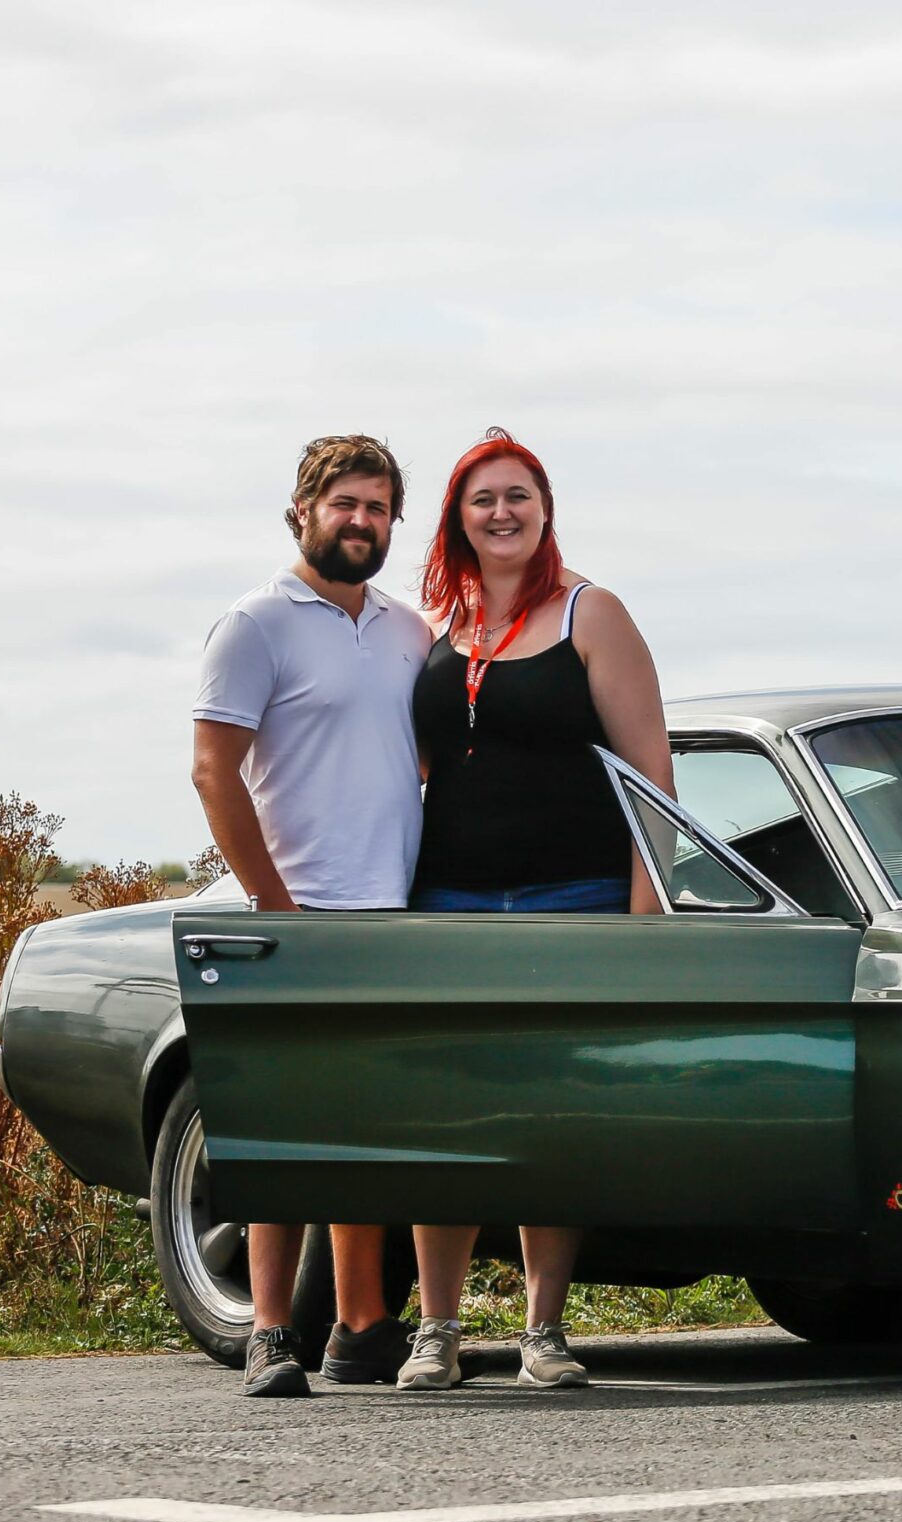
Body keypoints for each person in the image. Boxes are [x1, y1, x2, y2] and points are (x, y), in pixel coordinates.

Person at [395, 427, 674, 1392]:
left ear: (546, 509)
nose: (502, 512)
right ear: (457, 519)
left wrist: (646, 921)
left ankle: (543, 1330)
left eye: (519, 495)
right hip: (450, 898)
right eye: (483, 499)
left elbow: (653, 778)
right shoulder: (434, 626)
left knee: (552, 1112)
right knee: (449, 1111)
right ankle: (434, 1329)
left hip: (576, 898)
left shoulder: (592, 614)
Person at [190, 434, 434, 1398]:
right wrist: (271, 901)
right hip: (294, 915)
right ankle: (270, 1334)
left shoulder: (408, 631)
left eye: (378, 509)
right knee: (281, 1131)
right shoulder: (255, 624)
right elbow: (214, 769)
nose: (361, 523)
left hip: (393, 916)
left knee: (363, 1128)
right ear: (303, 511)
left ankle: (363, 1324)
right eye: (346, 505)